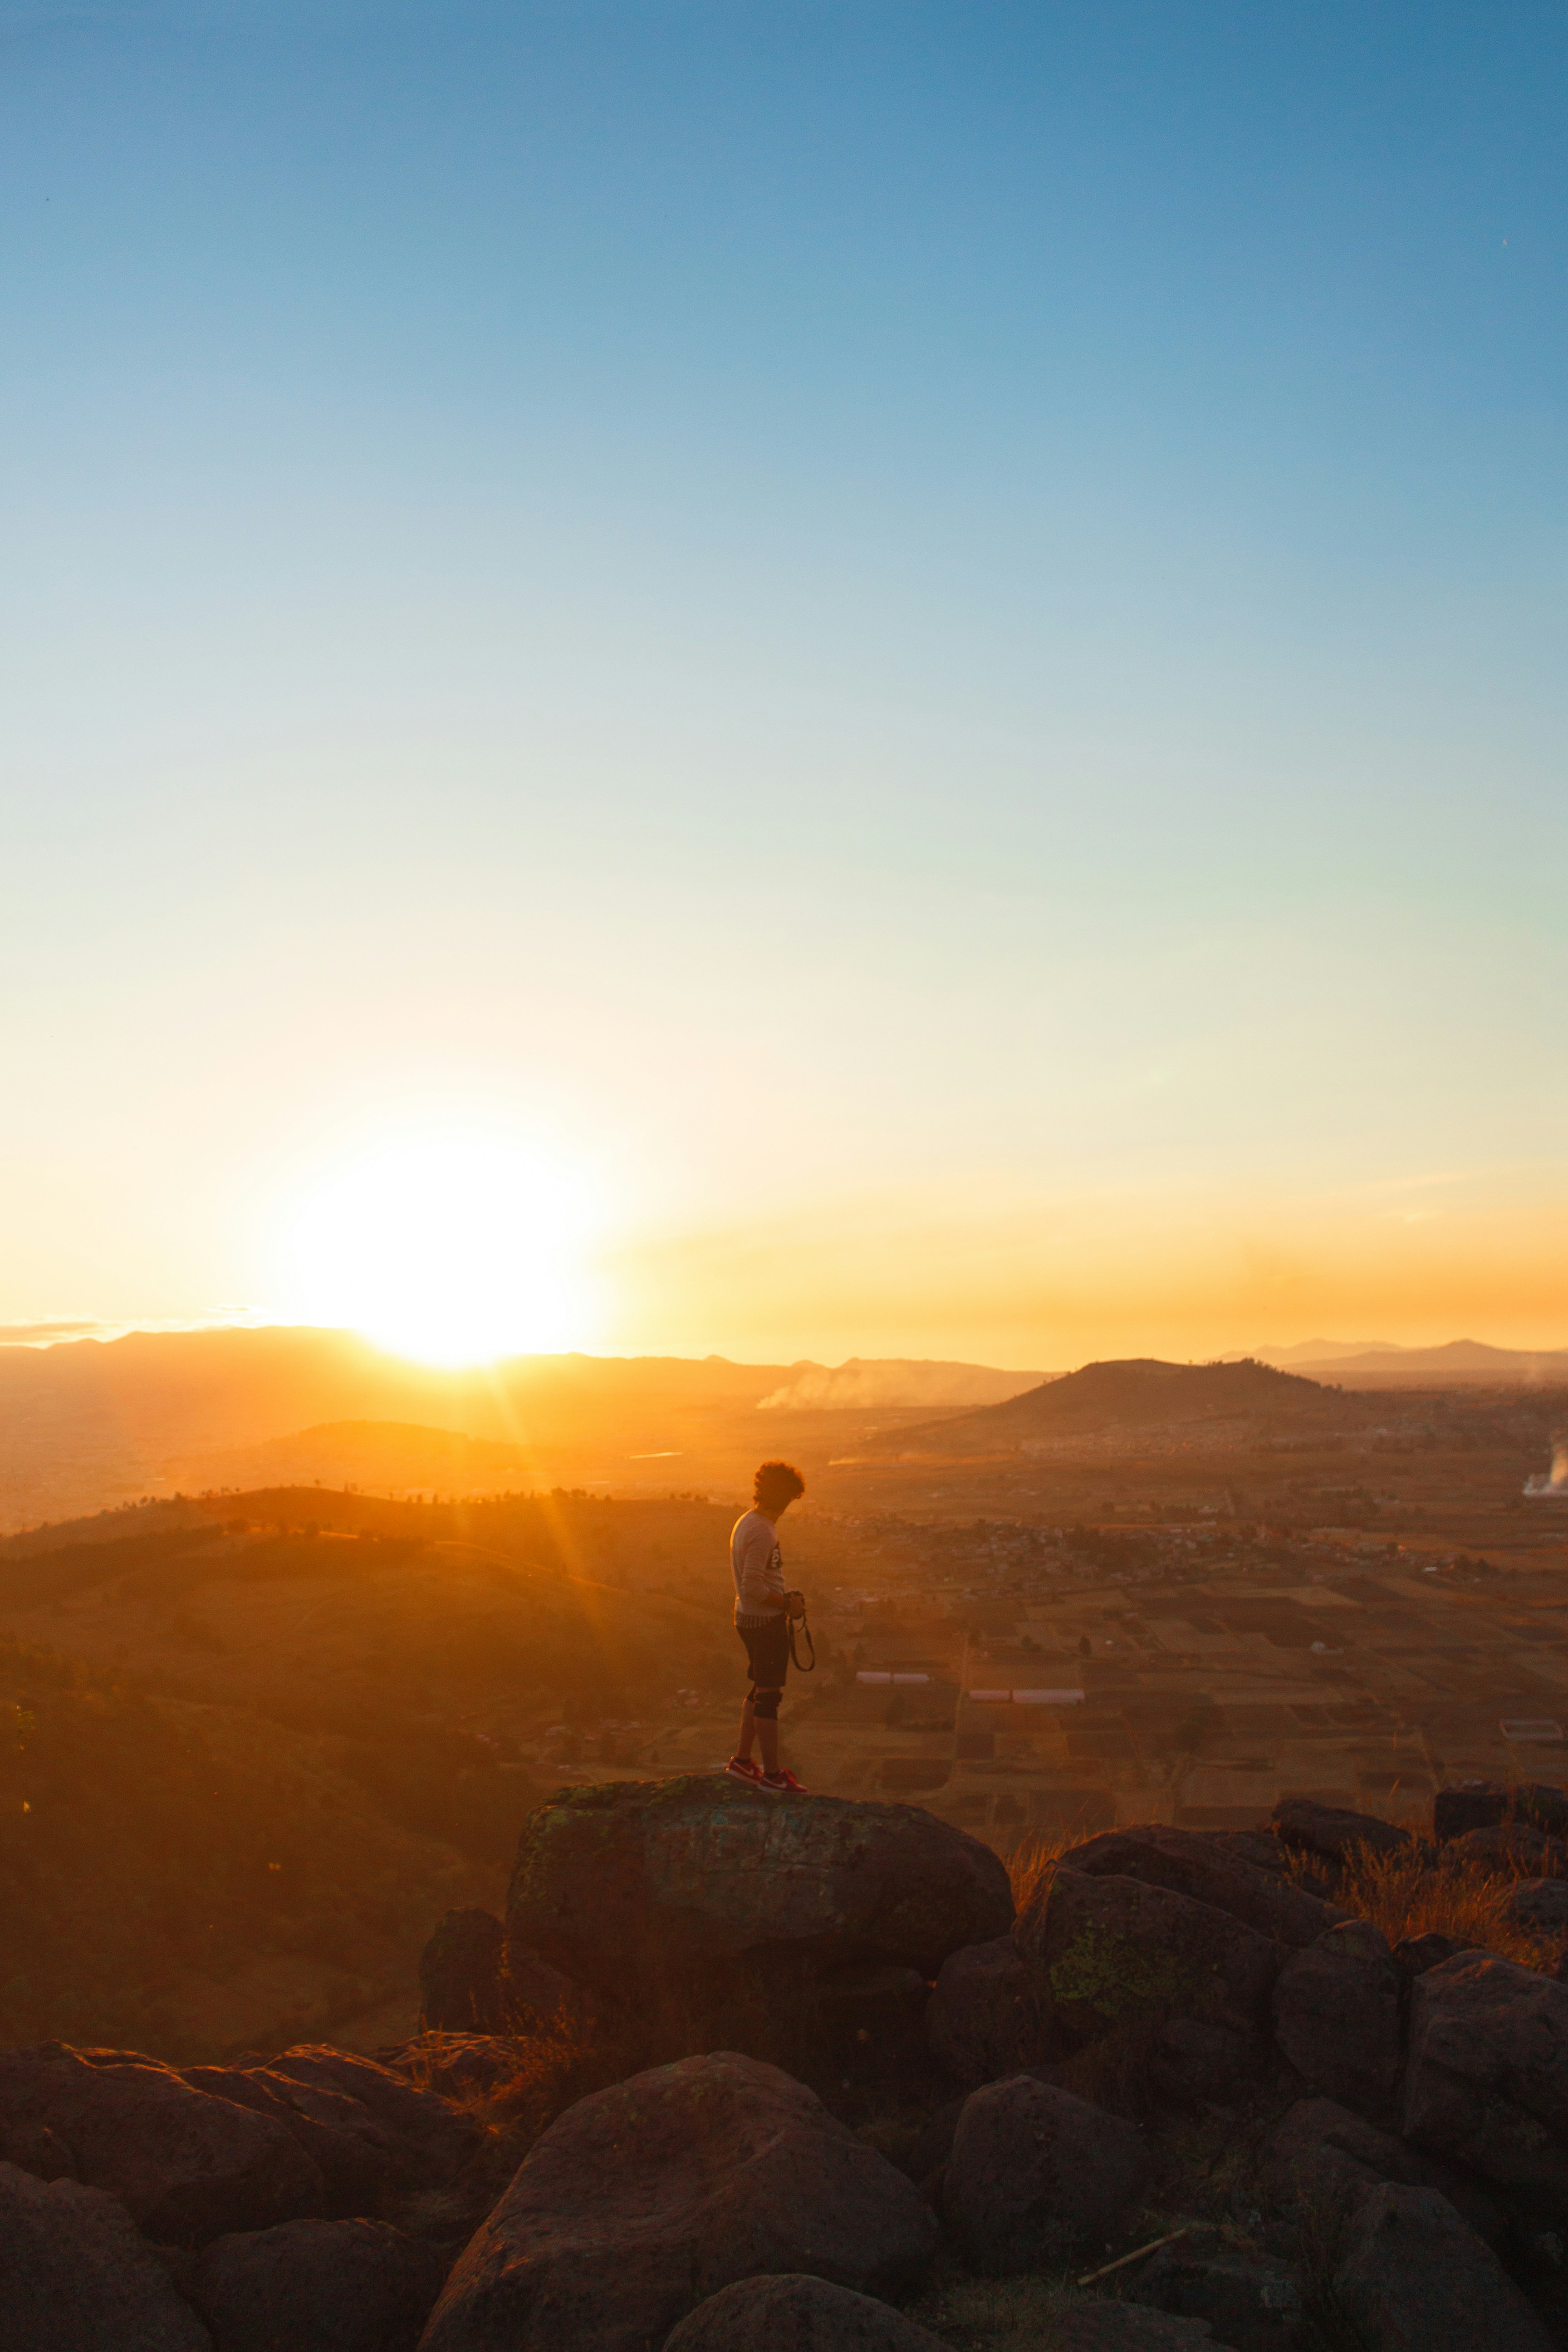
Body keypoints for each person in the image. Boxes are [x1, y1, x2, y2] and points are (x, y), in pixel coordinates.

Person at [725, 1459, 808, 1793]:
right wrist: (787, 1604)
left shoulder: (747, 1521)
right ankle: (773, 1776)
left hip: (747, 1618)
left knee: (759, 1689)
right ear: (785, 1497)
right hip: (764, 1623)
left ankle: (743, 1762)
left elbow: (752, 1587)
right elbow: (753, 1587)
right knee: (769, 1698)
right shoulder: (762, 1530)